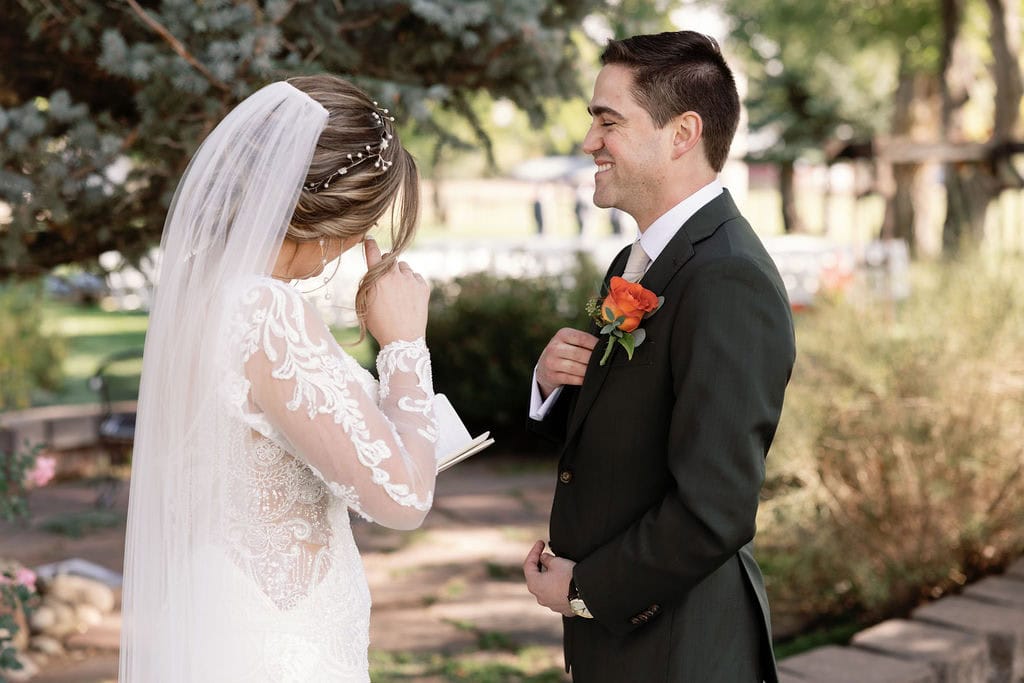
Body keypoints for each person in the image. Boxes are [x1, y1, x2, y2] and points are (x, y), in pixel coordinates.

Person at [119, 75, 437, 682]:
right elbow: (403, 501)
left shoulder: (197, 295)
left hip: (215, 609)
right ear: (335, 219)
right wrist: (403, 346)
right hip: (278, 640)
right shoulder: (264, 312)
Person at [523, 31, 796, 682]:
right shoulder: (636, 261)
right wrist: (551, 384)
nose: (590, 142)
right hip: (628, 647)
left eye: (607, 121)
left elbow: (714, 509)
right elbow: (626, 434)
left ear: (681, 134)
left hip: (681, 648)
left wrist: (586, 587)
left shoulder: (729, 279)